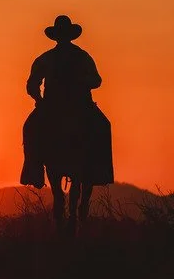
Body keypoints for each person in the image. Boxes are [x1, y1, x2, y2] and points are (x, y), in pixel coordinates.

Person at [22, 15, 113, 227]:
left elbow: (31, 85)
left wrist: (39, 100)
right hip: (78, 105)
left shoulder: (47, 58)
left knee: (31, 127)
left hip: (56, 106)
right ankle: (97, 171)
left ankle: (34, 170)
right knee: (102, 126)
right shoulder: (81, 56)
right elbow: (96, 81)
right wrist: (40, 99)